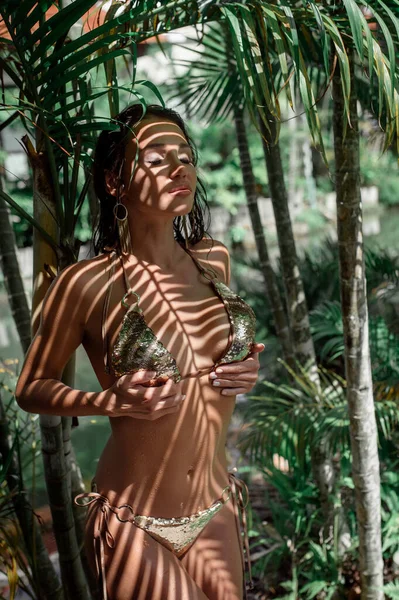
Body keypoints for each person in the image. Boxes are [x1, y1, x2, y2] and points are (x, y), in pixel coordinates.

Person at [15, 104, 265, 600]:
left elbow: (210, 360)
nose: (180, 168)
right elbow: (31, 388)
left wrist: (246, 367)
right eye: (155, 158)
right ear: (114, 182)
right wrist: (106, 402)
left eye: (185, 155)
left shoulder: (214, 259)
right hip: (134, 520)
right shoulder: (85, 284)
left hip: (214, 504)